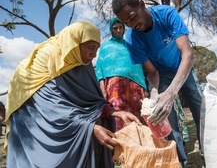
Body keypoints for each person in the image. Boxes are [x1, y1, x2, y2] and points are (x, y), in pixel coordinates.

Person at [4, 21, 141, 168]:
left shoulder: (82, 62)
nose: (94, 55)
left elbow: (92, 99)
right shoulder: (47, 59)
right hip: (33, 118)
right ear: (75, 43)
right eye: (90, 47)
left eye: (96, 49)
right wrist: (90, 128)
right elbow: (52, 108)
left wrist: (114, 112)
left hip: (67, 116)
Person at [112, 0, 203, 167]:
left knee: (199, 108)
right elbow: (152, 72)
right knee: (166, 120)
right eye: (125, 22)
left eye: (132, 17)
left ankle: (207, 155)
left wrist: (171, 93)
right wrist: (155, 95)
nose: (130, 24)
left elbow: (187, 55)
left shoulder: (167, 14)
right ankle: (180, 163)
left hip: (182, 66)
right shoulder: (132, 39)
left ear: (141, 4)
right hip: (161, 74)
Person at [96, 17, 148, 131]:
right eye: (115, 28)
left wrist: (144, 87)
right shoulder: (105, 46)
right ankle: (122, 147)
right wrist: (102, 88)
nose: (118, 31)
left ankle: (142, 147)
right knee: (119, 119)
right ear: (111, 30)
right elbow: (99, 67)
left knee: (139, 118)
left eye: (120, 27)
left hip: (135, 85)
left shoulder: (130, 45)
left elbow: (138, 66)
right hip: (115, 87)